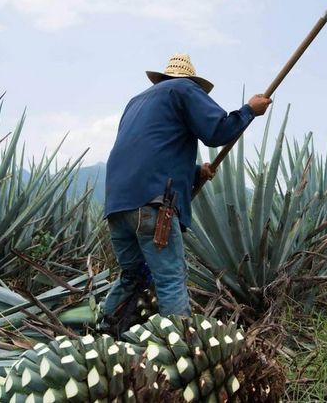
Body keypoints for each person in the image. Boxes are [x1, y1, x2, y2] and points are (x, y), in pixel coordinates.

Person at [102, 53, 272, 321]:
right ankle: (178, 345)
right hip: (153, 205)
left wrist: (196, 172)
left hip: (117, 206)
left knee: (133, 277)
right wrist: (250, 110)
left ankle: (104, 334)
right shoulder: (184, 88)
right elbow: (217, 131)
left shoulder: (136, 102)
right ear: (190, 80)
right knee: (170, 278)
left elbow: (149, 153)